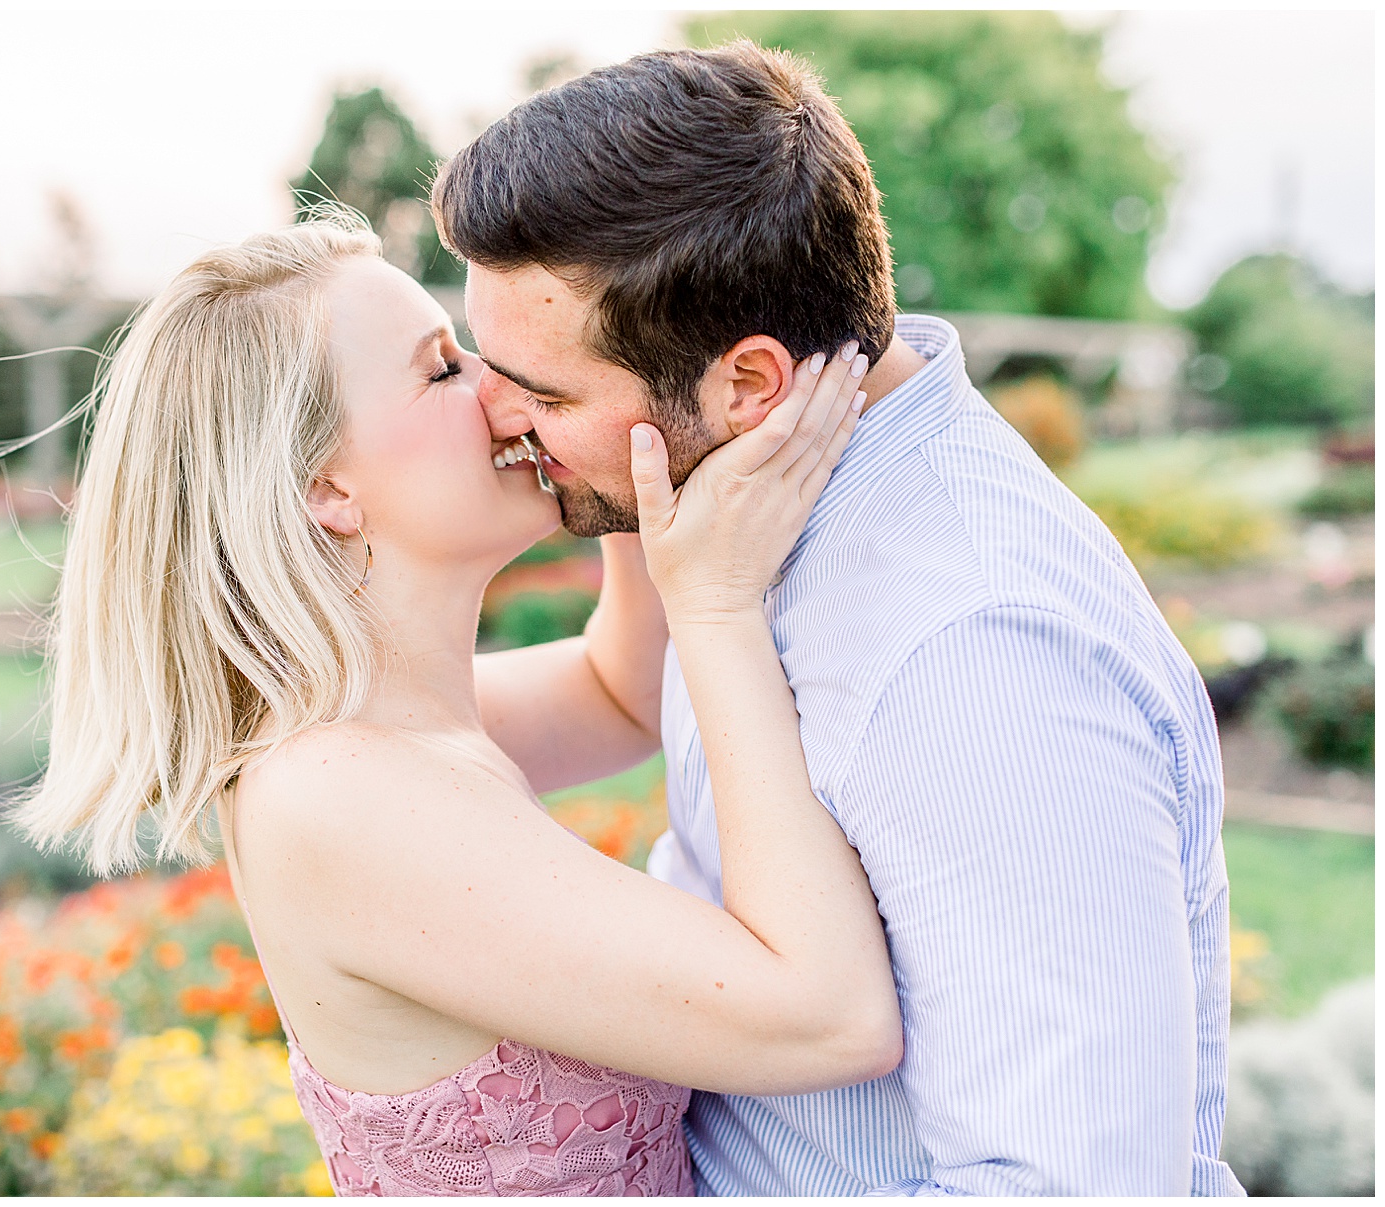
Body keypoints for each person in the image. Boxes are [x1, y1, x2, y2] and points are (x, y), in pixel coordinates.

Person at [431, 41, 1243, 1197]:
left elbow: (1071, 1186)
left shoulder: (973, 652)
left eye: (544, 391)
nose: (492, 414)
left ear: (750, 385)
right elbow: (621, 693)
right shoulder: (745, 509)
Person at [10, 218, 902, 1196]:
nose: (501, 387)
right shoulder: (339, 795)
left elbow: (624, 691)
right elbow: (831, 1017)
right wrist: (718, 603)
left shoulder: (394, 729)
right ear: (327, 489)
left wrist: (616, 427)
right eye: (443, 368)